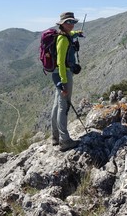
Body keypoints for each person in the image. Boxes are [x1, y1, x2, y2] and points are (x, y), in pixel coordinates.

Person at [50, 12, 83, 151]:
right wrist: (63, 82)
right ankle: (64, 140)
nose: (71, 24)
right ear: (62, 23)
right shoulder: (63, 40)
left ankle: (55, 137)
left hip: (58, 74)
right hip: (63, 74)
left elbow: (72, 33)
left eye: (73, 22)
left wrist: (77, 33)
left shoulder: (66, 35)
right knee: (64, 106)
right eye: (68, 22)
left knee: (57, 105)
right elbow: (61, 62)